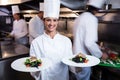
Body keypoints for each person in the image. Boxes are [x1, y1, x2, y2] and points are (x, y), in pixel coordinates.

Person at [30, 0, 73, 80]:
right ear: (44, 21)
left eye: (54, 20)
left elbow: (70, 61)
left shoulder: (66, 41)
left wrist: (78, 68)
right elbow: (33, 68)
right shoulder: (36, 42)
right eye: (48, 20)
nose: (51, 24)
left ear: (58, 21)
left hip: (63, 77)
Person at [73, 0, 108, 80]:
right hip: (84, 59)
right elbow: (89, 43)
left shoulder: (80, 17)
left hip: (75, 56)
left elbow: (81, 38)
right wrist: (101, 54)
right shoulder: (92, 19)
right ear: (97, 9)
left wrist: (99, 47)